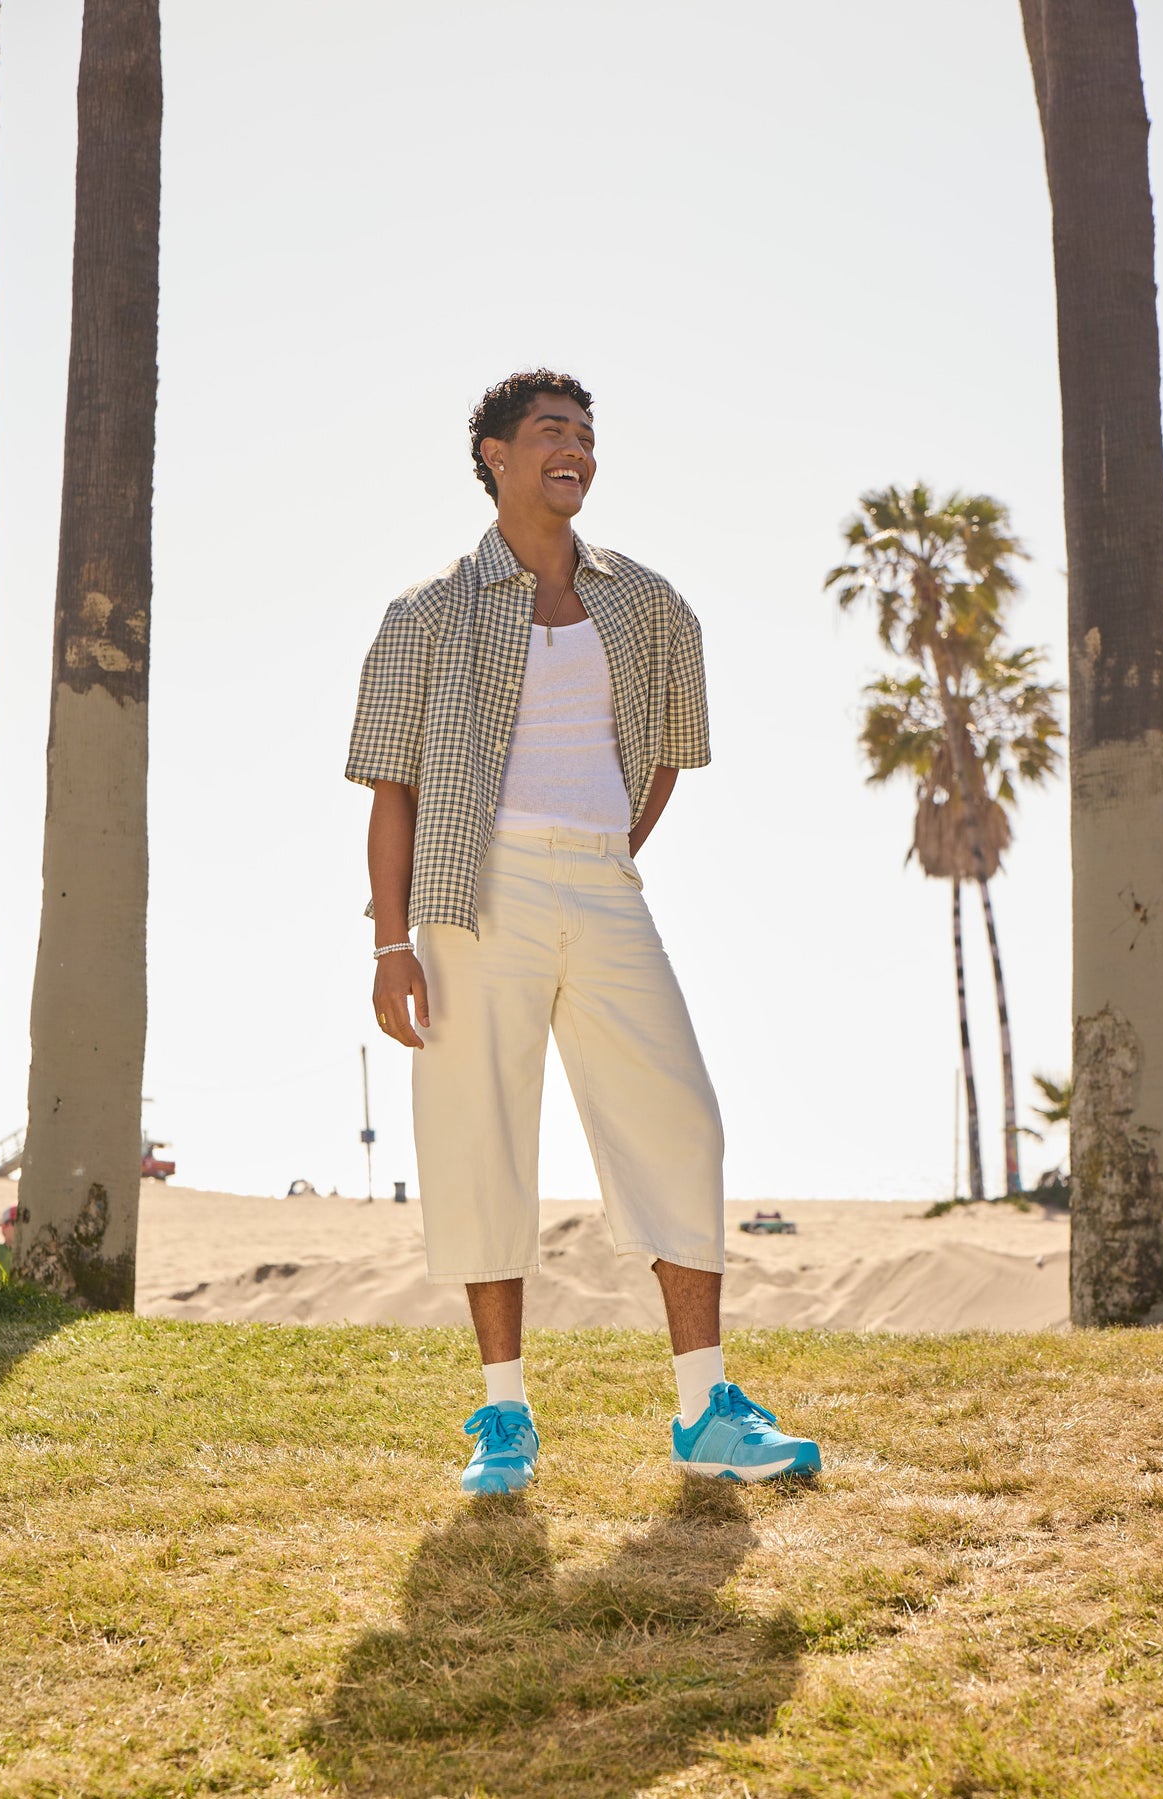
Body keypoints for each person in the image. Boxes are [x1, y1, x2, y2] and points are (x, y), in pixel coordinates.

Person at [347, 370, 820, 1493]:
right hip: (472, 893)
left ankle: (705, 1407)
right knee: (481, 1139)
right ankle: (502, 1419)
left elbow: (665, 753)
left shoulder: (649, 603)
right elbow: (392, 787)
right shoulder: (425, 612)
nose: (577, 449)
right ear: (495, 455)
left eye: (587, 434)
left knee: (681, 1119)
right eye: (552, 432)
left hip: (604, 883)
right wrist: (388, 939)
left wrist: (607, 846)